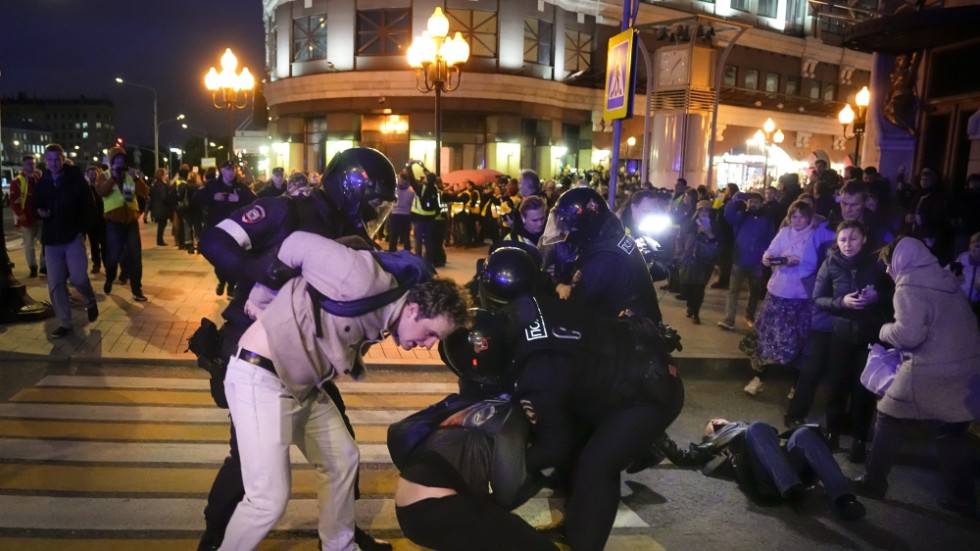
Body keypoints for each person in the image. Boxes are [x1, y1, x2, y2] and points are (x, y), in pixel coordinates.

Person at [195, 149, 397, 551]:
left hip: (304, 354)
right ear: (350, 187)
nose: (376, 214)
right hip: (253, 345)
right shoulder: (285, 210)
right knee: (248, 463)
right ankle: (216, 537)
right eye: (374, 202)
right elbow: (214, 239)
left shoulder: (345, 226)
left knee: (341, 452)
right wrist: (257, 270)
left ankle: (341, 535)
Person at [218, 232, 468, 551]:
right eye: (431, 333)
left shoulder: (389, 310)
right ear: (413, 309)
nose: (429, 344)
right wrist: (262, 296)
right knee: (267, 500)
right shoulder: (363, 280)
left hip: (303, 386)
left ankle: (339, 546)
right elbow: (296, 243)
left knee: (342, 459)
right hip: (261, 376)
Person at [499, 293, 684, 551]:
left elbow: (553, 448)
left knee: (596, 468)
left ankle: (585, 545)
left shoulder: (536, 375)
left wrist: (508, 466)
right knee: (576, 457)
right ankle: (574, 529)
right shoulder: (522, 315)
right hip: (628, 368)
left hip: (650, 392)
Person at [856, 237, 980, 518]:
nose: (888, 271)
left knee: (888, 417)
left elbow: (909, 336)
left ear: (900, 261)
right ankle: (963, 499)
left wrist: (883, 330)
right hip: (965, 367)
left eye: (888, 264)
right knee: (951, 432)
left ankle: (873, 482)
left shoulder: (909, 286)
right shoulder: (943, 278)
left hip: (930, 369)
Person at [648, 420, 866, 521]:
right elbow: (687, 457)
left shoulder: (749, 432)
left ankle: (844, 498)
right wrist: (659, 435)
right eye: (712, 425)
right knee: (757, 427)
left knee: (803, 434)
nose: (715, 421)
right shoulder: (726, 438)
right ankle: (791, 488)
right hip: (767, 483)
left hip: (785, 469)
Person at [811, 220, 892, 463]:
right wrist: (841, 303)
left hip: (870, 336)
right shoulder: (831, 263)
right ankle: (832, 433)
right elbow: (818, 298)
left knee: (864, 391)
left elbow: (897, 291)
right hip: (841, 334)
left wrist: (878, 296)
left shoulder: (878, 263)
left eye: (853, 238)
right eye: (843, 239)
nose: (847, 244)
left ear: (864, 238)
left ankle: (859, 440)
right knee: (836, 385)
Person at [546, 186, 663, 324]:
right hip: (639, 329)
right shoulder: (612, 238)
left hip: (631, 338)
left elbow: (577, 307)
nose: (564, 232)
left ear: (585, 224)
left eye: (568, 226)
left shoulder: (604, 258)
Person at [743, 201, 815, 395]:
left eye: (801, 216)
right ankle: (758, 378)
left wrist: (802, 261)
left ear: (809, 217)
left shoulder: (814, 237)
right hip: (777, 292)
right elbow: (769, 254)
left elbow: (818, 263)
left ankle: (796, 385)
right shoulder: (784, 233)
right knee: (766, 338)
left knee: (799, 342)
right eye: (794, 216)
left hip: (800, 296)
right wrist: (771, 258)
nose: (797, 221)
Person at [33, 144, 99, 337]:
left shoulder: (76, 180)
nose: (54, 163)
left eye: (57, 159)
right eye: (50, 160)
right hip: (51, 240)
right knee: (55, 283)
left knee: (78, 278)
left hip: (72, 237)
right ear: (45, 161)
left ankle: (90, 299)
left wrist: (81, 231)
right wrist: (40, 211)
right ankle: (65, 323)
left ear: (63, 159)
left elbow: (90, 207)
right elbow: (36, 204)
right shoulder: (43, 182)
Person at [193, 159, 257, 297]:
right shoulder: (212, 186)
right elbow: (196, 200)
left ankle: (231, 286)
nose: (230, 172)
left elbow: (254, 202)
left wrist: (238, 199)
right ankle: (222, 281)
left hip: (235, 231)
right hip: (217, 229)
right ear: (222, 171)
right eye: (227, 169)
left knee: (233, 259)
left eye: (233, 169)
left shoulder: (240, 188)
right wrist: (212, 197)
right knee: (219, 261)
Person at [96, 147, 150, 302]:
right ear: (112, 161)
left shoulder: (130, 175)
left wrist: (137, 178)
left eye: (122, 159)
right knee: (113, 256)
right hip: (114, 222)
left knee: (136, 256)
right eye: (117, 159)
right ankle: (110, 277)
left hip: (131, 222)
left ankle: (136, 289)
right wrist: (112, 178)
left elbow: (144, 192)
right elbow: (101, 192)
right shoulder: (104, 176)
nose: (120, 161)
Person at [718, 191, 775, 331]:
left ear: (762, 203)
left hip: (757, 261)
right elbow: (728, 215)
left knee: (755, 290)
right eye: (750, 201)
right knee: (733, 290)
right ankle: (729, 319)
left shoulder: (766, 219)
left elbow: (770, 237)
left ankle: (750, 315)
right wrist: (735, 200)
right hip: (740, 258)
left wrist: (766, 254)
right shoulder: (741, 216)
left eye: (756, 201)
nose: (753, 204)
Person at [676, 200, 720, 324]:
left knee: (699, 287)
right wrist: (680, 251)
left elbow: (717, 242)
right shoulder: (689, 224)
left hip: (704, 260)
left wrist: (707, 232)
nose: (704, 213)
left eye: (706, 210)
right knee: (687, 285)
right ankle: (690, 305)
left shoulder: (714, 225)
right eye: (701, 210)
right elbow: (680, 238)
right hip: (689, 258)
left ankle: (696, 312)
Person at [9, 155, 43, 278]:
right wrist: (20, 214)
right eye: (28, 163)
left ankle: (44, 267)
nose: (31, 165)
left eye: (33, 163)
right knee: (29, 245)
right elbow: (13, 200)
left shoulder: (38, 178)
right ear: (23, 165)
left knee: (45, 242)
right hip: (26, 217)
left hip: (39, 216)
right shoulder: (18, 181)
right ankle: (33, 267)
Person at [951, 231, 980, 326]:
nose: (977, 250)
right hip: (960, 302)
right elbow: (947, 275)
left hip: (977, 306)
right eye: (975, 245)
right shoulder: (962, 260)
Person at [83, 165, 107, 274]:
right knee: (94, 245)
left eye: (95, 173)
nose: (93, 176)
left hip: (103, 220)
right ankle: (96, 264)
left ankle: (107, 264)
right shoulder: (86, 189)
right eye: (90, 174)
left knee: (105, 244)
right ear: (87, 175)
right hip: (92, 222)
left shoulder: (102, 187)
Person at [387, 170, 415, 252]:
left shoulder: (395, 189)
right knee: (406, 238)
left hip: (395, 214)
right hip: (406, 215)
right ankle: (407, 254)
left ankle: (392, 254)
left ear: (400, 178)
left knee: (393, 237)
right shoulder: (411, 190)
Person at [149, 168, 176, 246]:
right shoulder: (161, 185)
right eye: (166, 174)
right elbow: (164, 197)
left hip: (157, 207)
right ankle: (160, 240)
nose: (167, 176)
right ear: (162, 175)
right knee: (162, 224)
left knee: (162, 224)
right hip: (162, 208)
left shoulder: (156, 184)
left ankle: (160, 240)